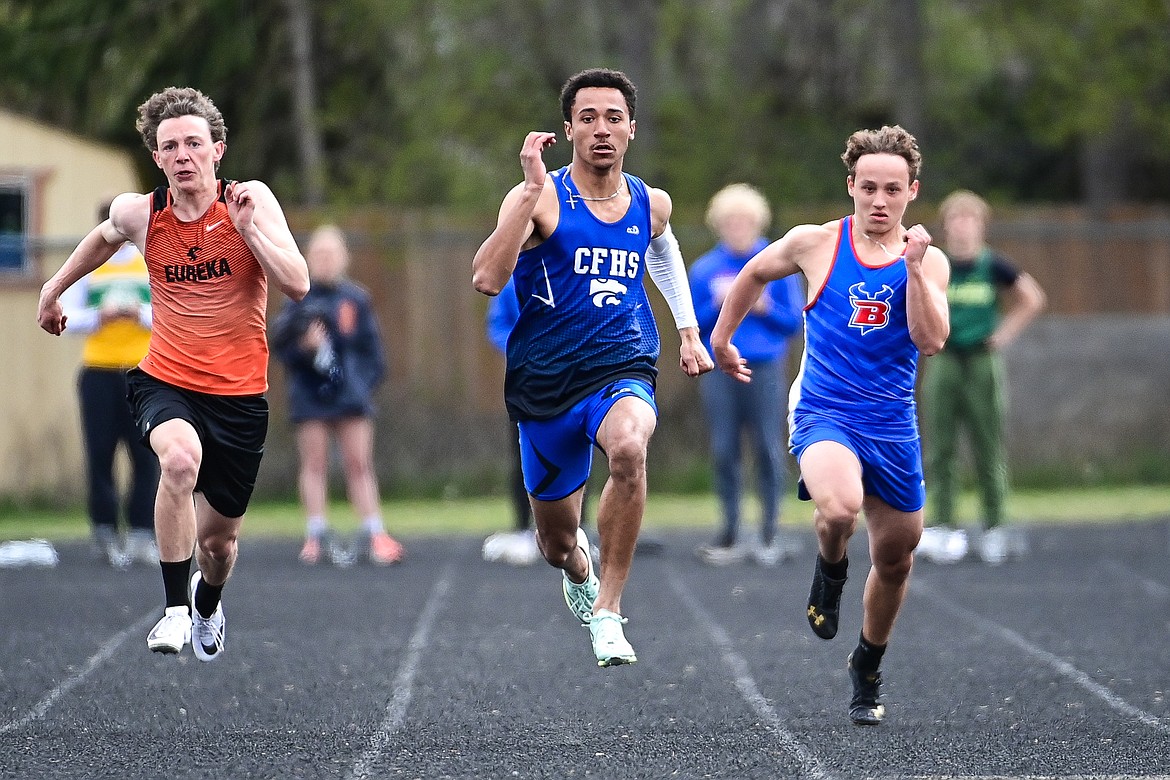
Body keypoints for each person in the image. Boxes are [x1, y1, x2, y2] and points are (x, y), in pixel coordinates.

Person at [37, 86, 310, 662]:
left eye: (193, 143)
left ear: (218, 150)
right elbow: (104, 236)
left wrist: (250, 232)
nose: (182, 154)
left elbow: (298, 283)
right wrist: (53, 288)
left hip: (238, 396)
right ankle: (174, 611)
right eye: (169, 146)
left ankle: (207, 602)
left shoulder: (250, 201)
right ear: (157, 158)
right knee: (179, 461)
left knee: (218, 546)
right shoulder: (143, 213)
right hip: (166, 379)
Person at [471, 68, 713, 667]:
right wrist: (525, 198)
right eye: (588, 118)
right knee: (554, 541)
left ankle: (608, 611)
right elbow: (486, 278)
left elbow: (663, 247)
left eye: (612, 118)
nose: (600, 130)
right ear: (568, 130)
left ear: (631, 129)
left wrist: (687, 330)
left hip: (622, 362)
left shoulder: (651, 202)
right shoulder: (542, 196)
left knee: (630, 448)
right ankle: (579, 566)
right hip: (546, 380)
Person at [710, 125, 950, 725]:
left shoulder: (929, 262)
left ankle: (867, 663)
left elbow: (932, 340)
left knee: (897, 556)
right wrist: (721, 336)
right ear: (850, 186)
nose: (879, 200)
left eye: (892, 190)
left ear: (911, 192)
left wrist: (915, 272)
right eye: (867, 187)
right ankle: (831, 566)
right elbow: (754, 274)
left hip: (892, 423)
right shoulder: (815, 243)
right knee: (840, 510)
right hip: (825, 410)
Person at [917, 190, 1046, 566]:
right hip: (944, 358)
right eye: (955, 218)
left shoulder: (993, 265)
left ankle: (995, 526)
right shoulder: (936, 265)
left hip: (981, 361)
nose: (962, 225)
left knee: (988, 444)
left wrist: (1004, 335)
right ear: (946, 226)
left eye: (970, 218)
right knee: (940, 446)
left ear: (982, 225)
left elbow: (1032, 298)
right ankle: (942, 525)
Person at [271, 224, 403, 567]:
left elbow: (373, 353)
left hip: (350, 396)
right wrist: (306, 348)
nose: (325, 260)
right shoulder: (297, 298)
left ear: (344, 258)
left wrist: (359, 385)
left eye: (331, 253)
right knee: (313, 464)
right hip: (309, 397)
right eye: (318, 254)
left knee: (359, 464)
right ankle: (315, 533)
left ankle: (375, 532)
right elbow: (280, 348)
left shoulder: (356, 299)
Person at [689, 183, 804, 567]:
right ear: (718, 225)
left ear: (758, 223)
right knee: (724, 449)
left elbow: (792, 323)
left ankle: (771, 530)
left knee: (769, 448)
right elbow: (692, 325)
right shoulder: (704, 269)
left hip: (765, 368)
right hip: (720, 370)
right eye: (730, 221)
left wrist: (763, 306)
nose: (738, 227)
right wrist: (721, 305)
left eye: (745, 221)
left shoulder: (777, 265)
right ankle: (730, 529)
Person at [58, 201, 160, 568]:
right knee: (100, 454)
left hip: (144, 371)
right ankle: (103, 529)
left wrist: (138, 313)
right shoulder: (89, 264)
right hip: (99, 371)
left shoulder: (149, 262)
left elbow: (169, 312)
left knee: (146, 454)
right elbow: (66, 316)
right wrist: (99, 316)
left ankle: (141, 532)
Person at [479, 275, 542, 567]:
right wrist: (522, 349)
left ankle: (579, 528)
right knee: (522, 456)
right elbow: (497, 326)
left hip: (571, 380)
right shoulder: (510, 282)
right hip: (525, 383)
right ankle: (523, 526)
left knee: (576, 452)